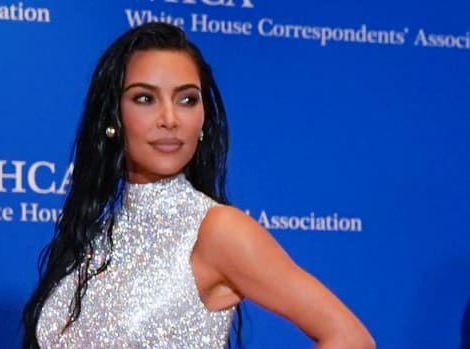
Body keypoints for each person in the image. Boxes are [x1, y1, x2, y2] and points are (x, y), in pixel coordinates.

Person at [22, 22, 375, 349]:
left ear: (203, 118)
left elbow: (350, 338)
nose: (170, 119)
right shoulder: (97, 234)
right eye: (145, 98)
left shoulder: (218, 231)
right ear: (113, 117)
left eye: (187, 99)